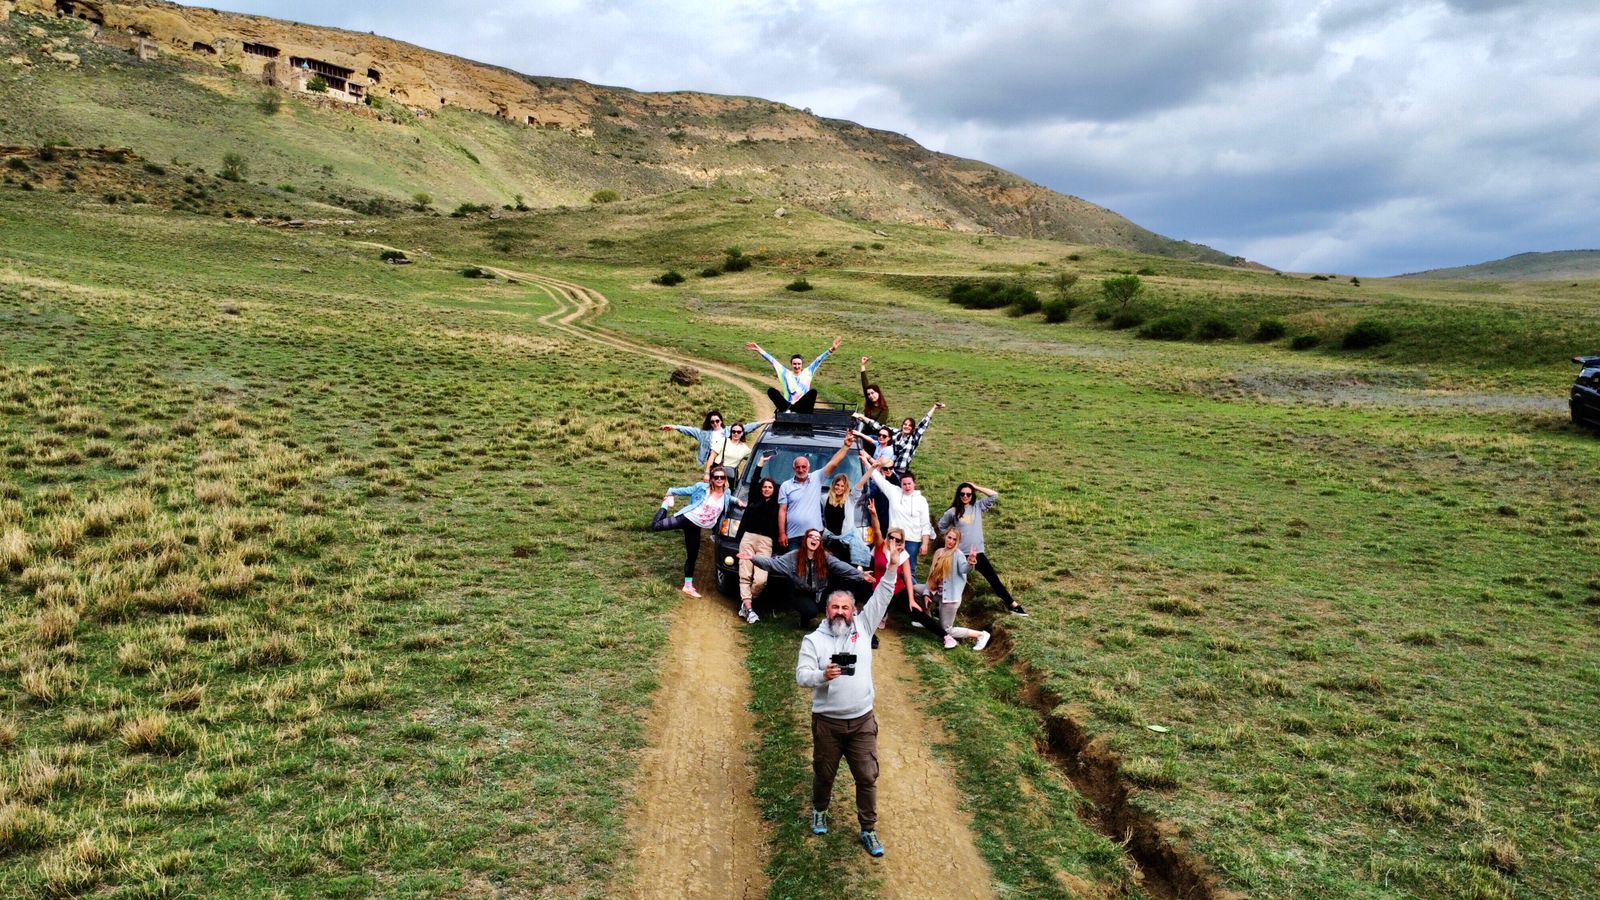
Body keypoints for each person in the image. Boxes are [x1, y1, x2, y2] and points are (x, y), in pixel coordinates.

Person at [794, 536, 911, 858]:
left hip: (861, 722)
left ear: (854, 610)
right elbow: (802, 675)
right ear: (827, 611)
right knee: (824, 772)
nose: (841, 612)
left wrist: (892, 566)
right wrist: (822, 675)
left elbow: (883, 593)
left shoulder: (864, 626)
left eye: (845, 607)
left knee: (867, 776)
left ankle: (868, 829)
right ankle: (820, 810)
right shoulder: (813, 641)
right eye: (835, 607)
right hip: (828, 723)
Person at [740, 528, 868, 627]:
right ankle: (805, 618)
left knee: (834, 603)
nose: (814, 539)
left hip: (819, 593)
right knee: (810, 611)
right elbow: (773, 564)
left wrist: (861, 575)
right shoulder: (794, 556)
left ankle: (839, 627)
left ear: (820, 543)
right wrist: (753, 558)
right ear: (806, 539)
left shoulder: (825, 557)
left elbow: (841, 566)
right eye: (811, 536)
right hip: (800, 593)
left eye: (817, 538)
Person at [937, 482, 1028, 617]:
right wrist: (951, 541)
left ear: (972, 495)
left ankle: (1012, 604)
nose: (965, 496)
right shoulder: (953, 511)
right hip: (960, 554)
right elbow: (941, 526)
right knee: (951, 583)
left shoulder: (977, 506)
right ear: (958, 495)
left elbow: (994, 495)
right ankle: (939, 610)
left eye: (969, 494)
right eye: (962, 494)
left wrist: (976, 487)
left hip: (977, 552)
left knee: (993, 579)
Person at [651, 466, 740, 597]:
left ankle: (688, 586)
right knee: (656, 526)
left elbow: (729, 499)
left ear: (725, 479)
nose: (719, 479)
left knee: (692, 555)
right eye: (716, 477)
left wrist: (737, 501)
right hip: (687, 518)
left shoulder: (726, 493)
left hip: (696, 527)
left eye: (722, 477)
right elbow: (687, 490)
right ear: (712, 479)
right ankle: (665, 503)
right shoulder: (702, 488)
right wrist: (671, 492)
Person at [916, 527, 993, 650]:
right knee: (914, 589)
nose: (951, 541)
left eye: (954, 539)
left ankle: (981, 635)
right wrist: (926, 592)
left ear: (958, 542)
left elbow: (964, 569)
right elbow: (931, 575)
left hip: (950, 599)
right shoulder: (938, 552)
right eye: (949, 537)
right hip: (937, 593)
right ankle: (926, 619)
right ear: (945, 537)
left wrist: (971, 562)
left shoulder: (958, 554)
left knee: (946, 630)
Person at [778, 436, 854, 550]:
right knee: (793, 562)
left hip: (815, 535)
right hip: (793, 536)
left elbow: (833, 463)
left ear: (809, 467)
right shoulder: (785, 485)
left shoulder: (817, 477)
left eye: (804, 467)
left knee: (814, 562)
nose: (801, 470)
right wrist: (782, 533)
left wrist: (846, 446)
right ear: (794, 469)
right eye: (798, 467)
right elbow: (782, 511)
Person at [866, 461, 934, 584]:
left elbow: (925, 524)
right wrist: (866, 461)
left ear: (914, 484)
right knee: (889, 565)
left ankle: (912, 593)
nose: (907, 487)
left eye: (909, 484)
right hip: (894, 538)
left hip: (912, 540)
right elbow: (877, 478)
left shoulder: (921, 500)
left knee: (909, 570)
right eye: (904, 484)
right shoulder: (894, 492)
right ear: (900, 484)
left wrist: (925, 543)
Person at [733, 452, 779, 623]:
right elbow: (753, 481)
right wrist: (760, 464)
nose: (766, 489)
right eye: (764, 487)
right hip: (749, 538)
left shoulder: (777, 505)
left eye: (770, 487)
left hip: (766, 543)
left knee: (761, 580)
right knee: (745, 574)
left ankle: (746, 604)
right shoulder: (754, 498)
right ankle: (750, 608)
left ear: (774, 490)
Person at [747, 337, 842, 414]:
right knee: (771, 391)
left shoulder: (808, 372)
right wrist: (759, 350)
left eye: (799, 364)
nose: (797, 366)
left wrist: (831, 349)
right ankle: (789, 409)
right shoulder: (785, 373)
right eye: (794, 364)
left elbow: (818, 360)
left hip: (802, 407)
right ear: (791, 364)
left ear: (802, 365)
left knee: (813, 392)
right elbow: (772, 361)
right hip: (787, 406)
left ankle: (791, 410)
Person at [854, 402, 944, 477]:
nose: (907, 426)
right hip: (889, 467)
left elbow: (924, 423)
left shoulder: (914, 438)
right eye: (905, 424)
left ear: (913, 428)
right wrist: (862, 417)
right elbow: (879, 427)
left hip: (901, 471)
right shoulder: (896, 433)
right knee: (874, 437)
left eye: (910, 425)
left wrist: (934, 407)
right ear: (902, 425)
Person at [659, 411, 766, 467]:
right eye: (712, 421)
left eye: (717, 421)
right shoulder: (704, 434)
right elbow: (690, 430)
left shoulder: (729, 430)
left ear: (721, 421)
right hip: (713, 461)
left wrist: (766, 422)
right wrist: (674, 426)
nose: (715, 423)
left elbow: (747, 427)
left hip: (727, 459)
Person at [821, 472, 871, 566]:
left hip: (845, 542)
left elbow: (861, 483)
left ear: (846, 487)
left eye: (842, 486)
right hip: (830, 541)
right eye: (837, 485)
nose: (839, 488)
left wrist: (872, 468)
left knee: (846, 568)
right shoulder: (824, 498)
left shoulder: (850, 499)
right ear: (833, 485)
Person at [859, 356, 889, 424]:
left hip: (874, 431)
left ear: (878, 393)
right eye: (869, 394)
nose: (870, 396)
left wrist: (864, 418)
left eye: (872, 393)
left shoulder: (884, 409)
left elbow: (877, 425)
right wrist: (862, 365)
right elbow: (864, 383)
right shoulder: (869, 402)